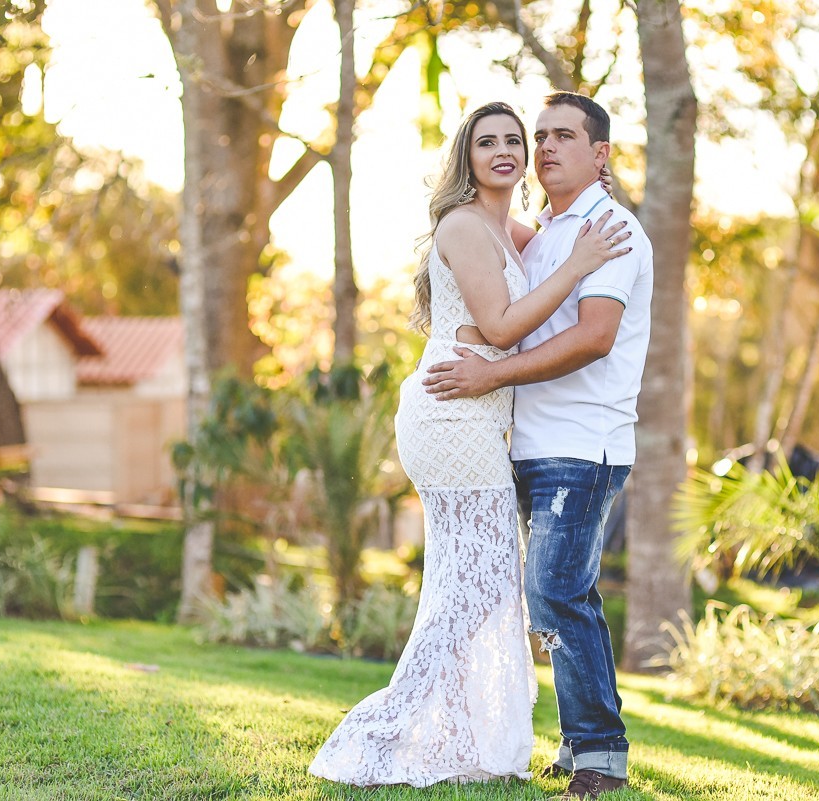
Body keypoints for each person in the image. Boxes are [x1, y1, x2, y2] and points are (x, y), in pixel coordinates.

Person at [307, 101, 630, 788]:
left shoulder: (507, 228)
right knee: (474, 588)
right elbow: (504, 326)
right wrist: (579, 264)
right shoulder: (463, 223)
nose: (507, 150)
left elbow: (552, 240)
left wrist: (581, 214)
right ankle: (386, 730)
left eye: (517, 140)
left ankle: (455, 732)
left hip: (479, 420)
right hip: (453, 416)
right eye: (489, 142)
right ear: (467, 157)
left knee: (478, 587)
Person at [423, 92, 653, 800]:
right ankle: (577, 741)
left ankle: (601, 755)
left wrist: (492, 373)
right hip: (527, 442)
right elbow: (481, 263)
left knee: (556, 591)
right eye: (541, 135)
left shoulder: (610, 229)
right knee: (555, 595)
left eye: (564, 136)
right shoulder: (547, 232)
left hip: (583, 444)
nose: (545, 147)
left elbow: (594, 337)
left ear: (601, 153)